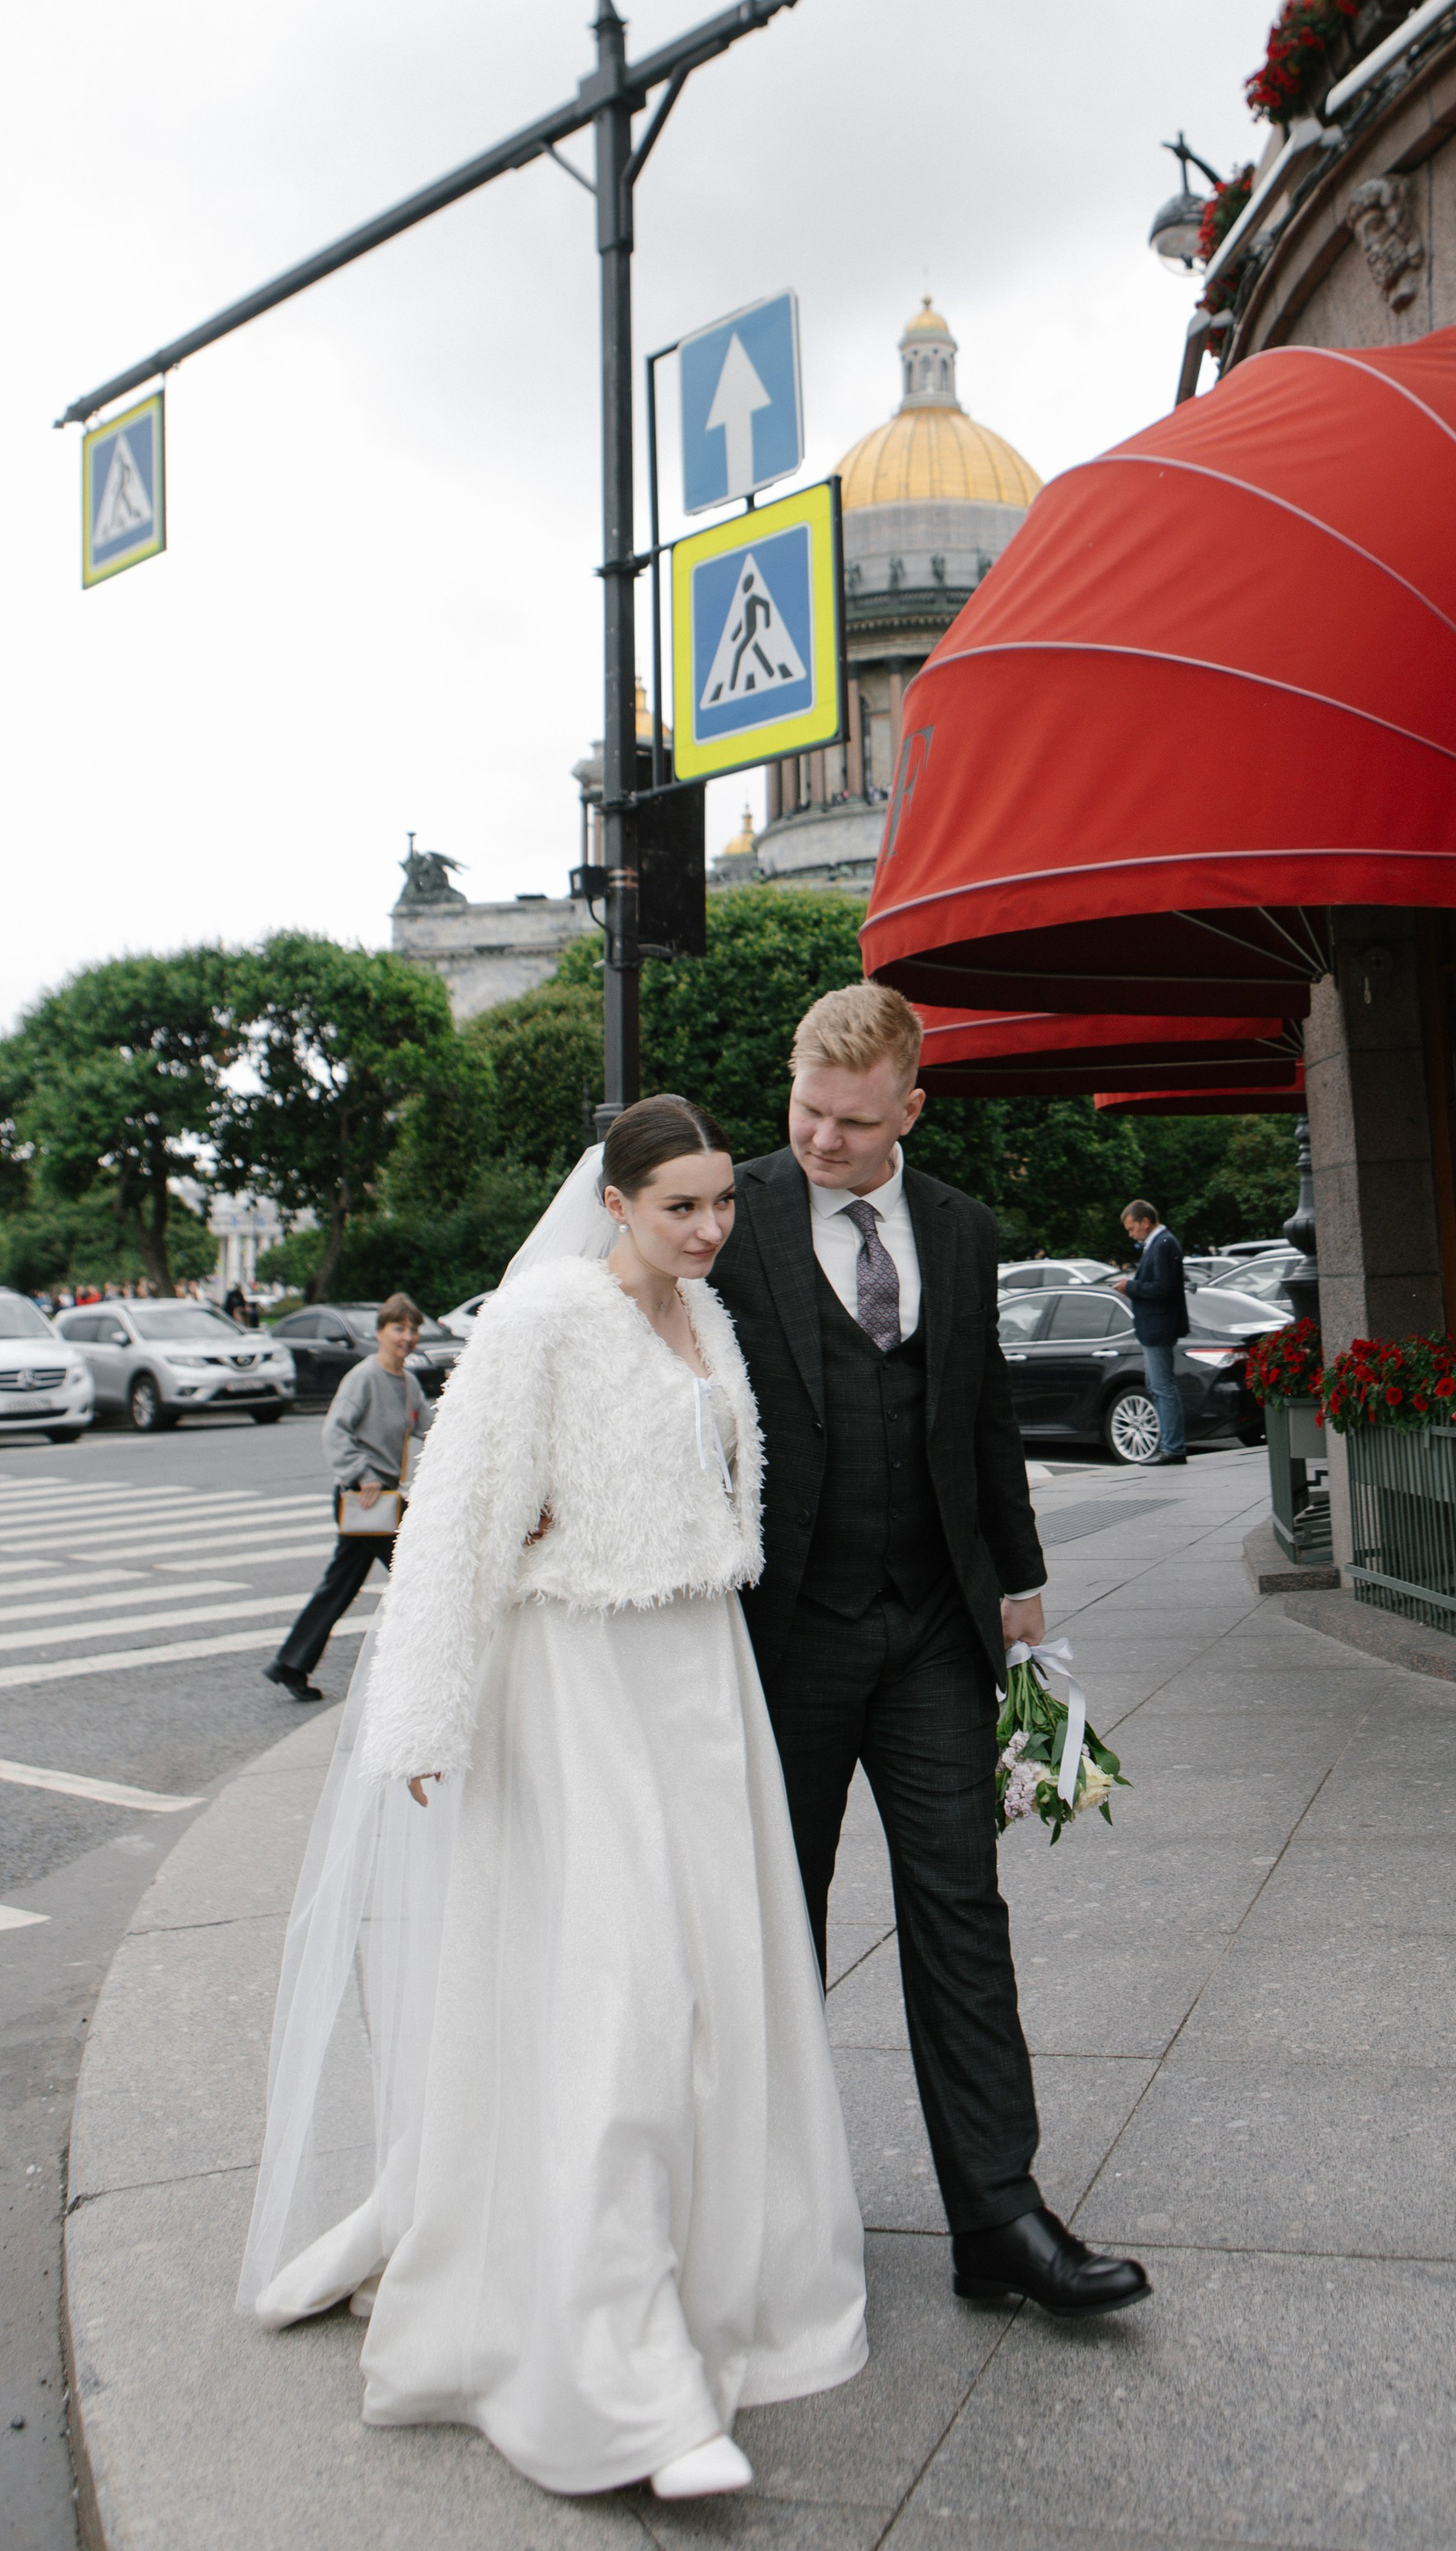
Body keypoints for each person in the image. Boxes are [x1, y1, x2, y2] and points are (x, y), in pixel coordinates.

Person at [239, 1092, 865, 2501]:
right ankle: (623, 2376)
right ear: (617, 1203)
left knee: (718, 1991)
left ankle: (723, 2279)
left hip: (701, 1683)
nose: (710, 1229)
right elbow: (459, 1512)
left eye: (720, 1203)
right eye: (680, 1207)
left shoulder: (711, 1324)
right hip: (580, 1685)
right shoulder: (539, 1321)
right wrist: (420, 1712)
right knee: (622, 2000)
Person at [708, 981, 1150, 2322]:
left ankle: (999, 2216)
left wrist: (1019, 1578)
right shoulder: (731, 1226)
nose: (824, 1143)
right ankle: (757, 2217)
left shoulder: (962, 1230)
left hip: (935, 1634)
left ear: (911, 1106)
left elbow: (980, 1417)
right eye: (807, 1114)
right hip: (779, 1641)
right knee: (774, 1924)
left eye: (854, 1122)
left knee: (962, 1911)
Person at [264, 1295, 428, 1703]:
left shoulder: (407, 1382)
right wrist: (362, 1473)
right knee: (418, 1576)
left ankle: (290, 1664)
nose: (406, 1337)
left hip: (384, 1500)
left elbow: (429, 1424)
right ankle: (416, 1668)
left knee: (340, 1585)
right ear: (379, 1333)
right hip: (365, 1499)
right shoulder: (364, 1377)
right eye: (398, 1329)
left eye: (412, 1329)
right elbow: (335, 1431)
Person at [1117, 1200, 1190, 1465]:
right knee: (1158, 1387)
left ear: (1145, 1222)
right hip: (1155, 1327)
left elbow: (1164, 1288)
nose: (1131, 1234)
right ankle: (1169, 1446)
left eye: (1131, 1228)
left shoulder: (1163, 1244)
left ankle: (1172, 1448)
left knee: (1162, 1388)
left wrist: (1131, 1286)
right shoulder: (1159, 1243)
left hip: (1159, 1327)